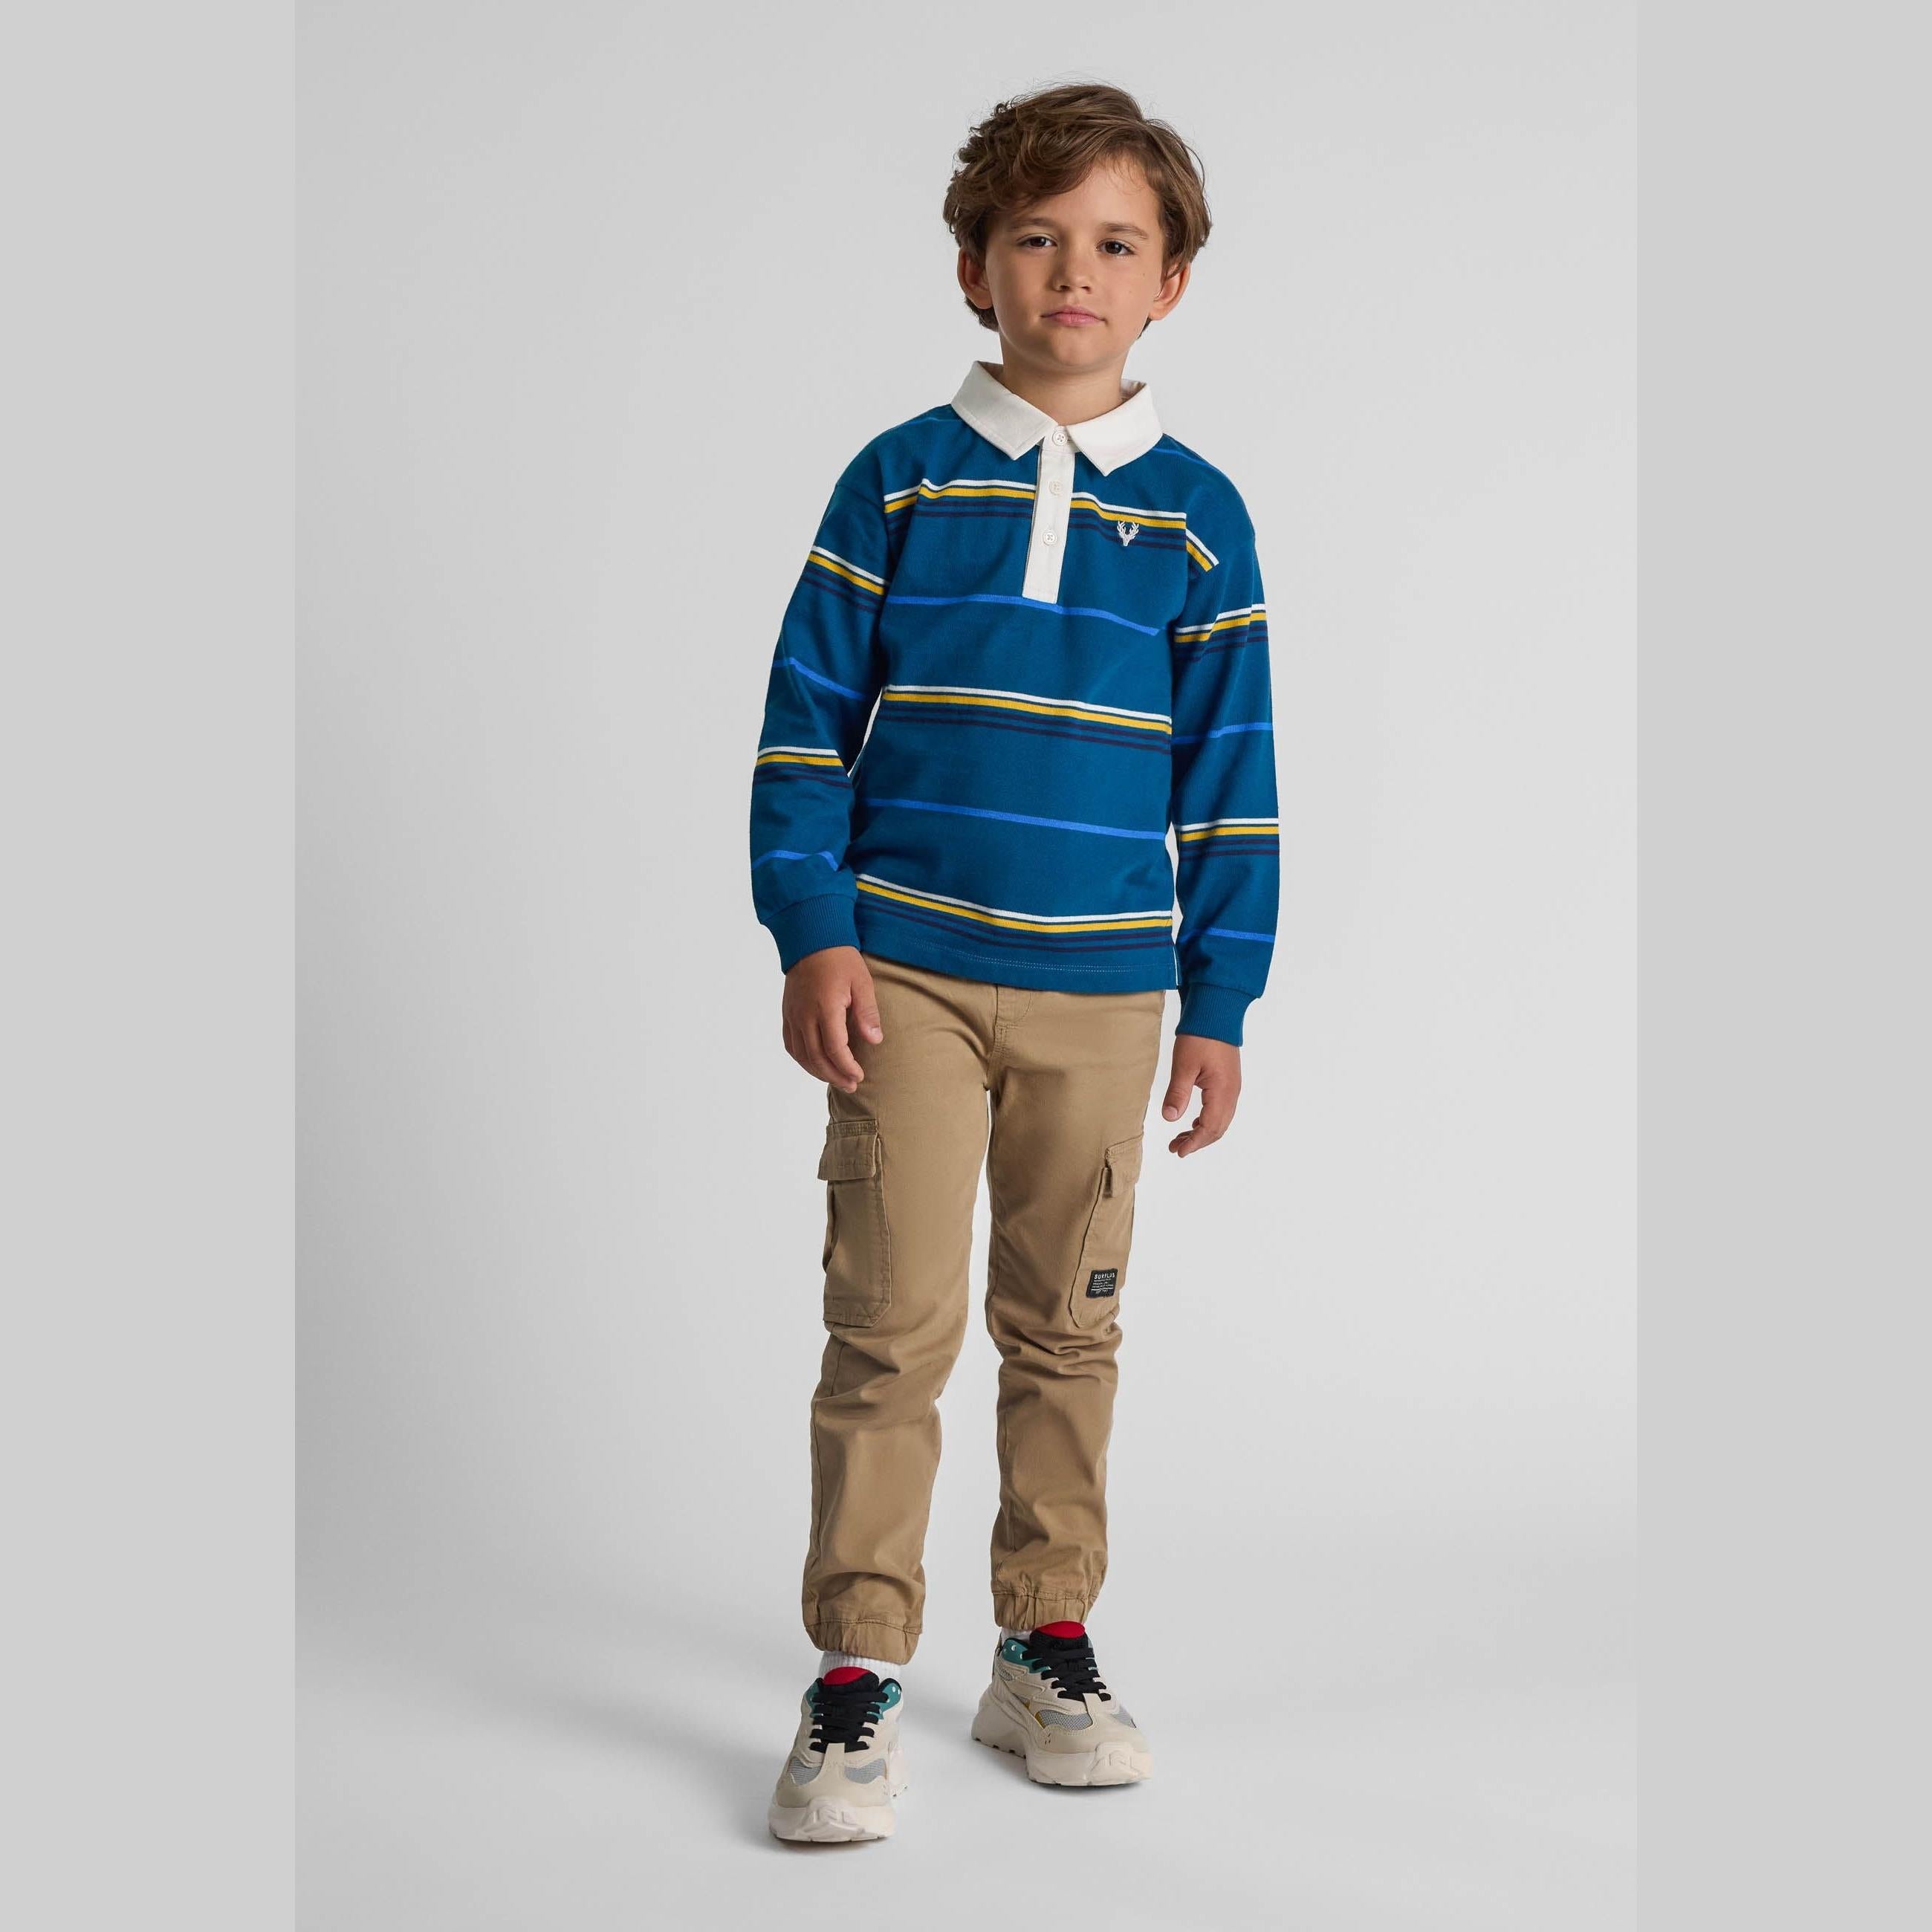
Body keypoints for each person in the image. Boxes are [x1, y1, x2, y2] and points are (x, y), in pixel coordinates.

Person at [750, 81, 1279, 1844]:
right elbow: (805, 729)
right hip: (902, 983)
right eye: (1036, 238)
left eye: (1115, 243)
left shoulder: (1197, 517)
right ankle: (856, 1672)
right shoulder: (897, 477)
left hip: (1108, 1001)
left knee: (1069, 1326)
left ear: (1171, 283)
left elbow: (1233, 779)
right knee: (884, 1329)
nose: (1074, 271)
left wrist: (1222, 1002)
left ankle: (1044, 1642)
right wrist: (813, 929)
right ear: (975, 268)